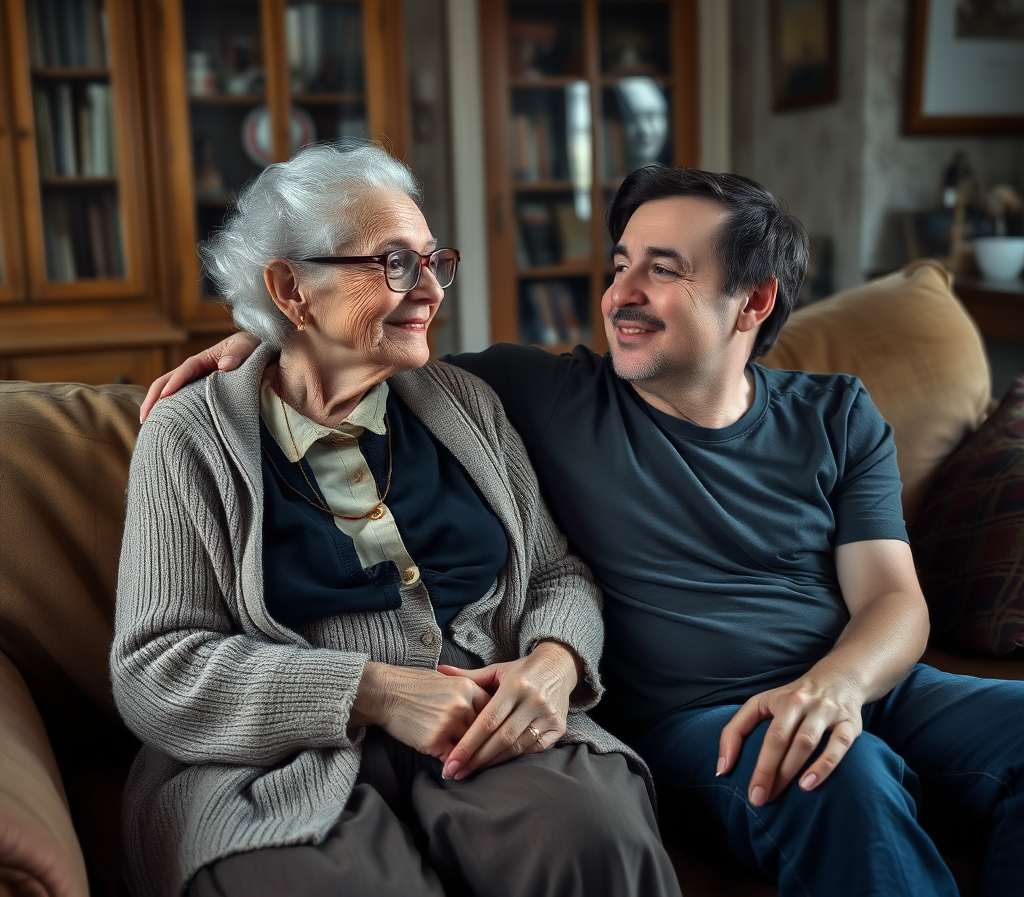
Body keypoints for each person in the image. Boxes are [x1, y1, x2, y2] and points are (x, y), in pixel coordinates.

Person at [148, 164, 1024, 897]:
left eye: (663, 270)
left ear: (753, 302)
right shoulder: (543, 395)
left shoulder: (835, 414)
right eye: (619, 263)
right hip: (703, 718)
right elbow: (351, 351)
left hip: (853, 682)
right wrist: (256, 341)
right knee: (847, 776)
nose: (620, 294)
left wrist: (835, 687)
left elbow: (893, 602)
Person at [111, 142, 680, 897]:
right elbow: (157, 665)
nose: (430, 292)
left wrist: (553, 666)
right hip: (279, 761)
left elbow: (555, 572)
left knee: (595, 836)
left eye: (433, 262)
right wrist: (373, 690)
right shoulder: (189, 437)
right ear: (291, 289)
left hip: (482, 718)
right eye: (392, 264)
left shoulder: (463, 402)